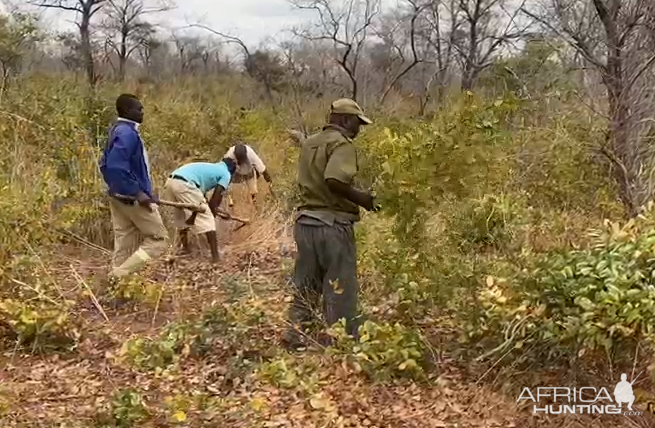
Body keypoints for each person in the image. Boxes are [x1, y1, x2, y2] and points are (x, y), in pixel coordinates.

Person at [283, 98, 380, 349]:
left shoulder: (311, 143)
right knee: (341, 285)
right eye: (357, 123)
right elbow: (334, 180)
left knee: (306, 281)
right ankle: (342, 341)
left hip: (305, 223)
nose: (358, 129)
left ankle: (296, 334)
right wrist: (364, 200)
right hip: (332, 225)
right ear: (346, 120)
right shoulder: (342, 144)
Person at [99, 93, 169, 281]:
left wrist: (117, 188)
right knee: (159, 241)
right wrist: (138, 193)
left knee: (125, 243)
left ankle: (116, 287)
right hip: (132, 199)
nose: (142, 112)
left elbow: (105, 165)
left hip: (118, 196)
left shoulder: (116, 130)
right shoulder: (127, 134)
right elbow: (115, 166)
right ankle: (118, 274)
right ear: (128, 111)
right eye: (139, 109)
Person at [162, 158, 237, 263]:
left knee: (181, 216)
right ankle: (216, 257)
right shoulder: (226, 173)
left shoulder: (211, 168)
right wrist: (215, 212)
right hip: (185, 184)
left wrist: (217, 211)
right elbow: (213, 203)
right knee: (208, 218)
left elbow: (202, 201)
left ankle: (185, 249)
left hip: (171, 182)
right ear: (231, 171)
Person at [223, 142, 273, 207]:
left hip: (249, 172)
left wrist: (268, 179)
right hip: (235, 172)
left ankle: (254, 204)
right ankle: (229, 199)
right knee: (226, 182)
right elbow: (224, 170)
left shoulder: (250, 153)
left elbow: (260, 165)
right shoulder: (229, 155)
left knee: (253, 191)